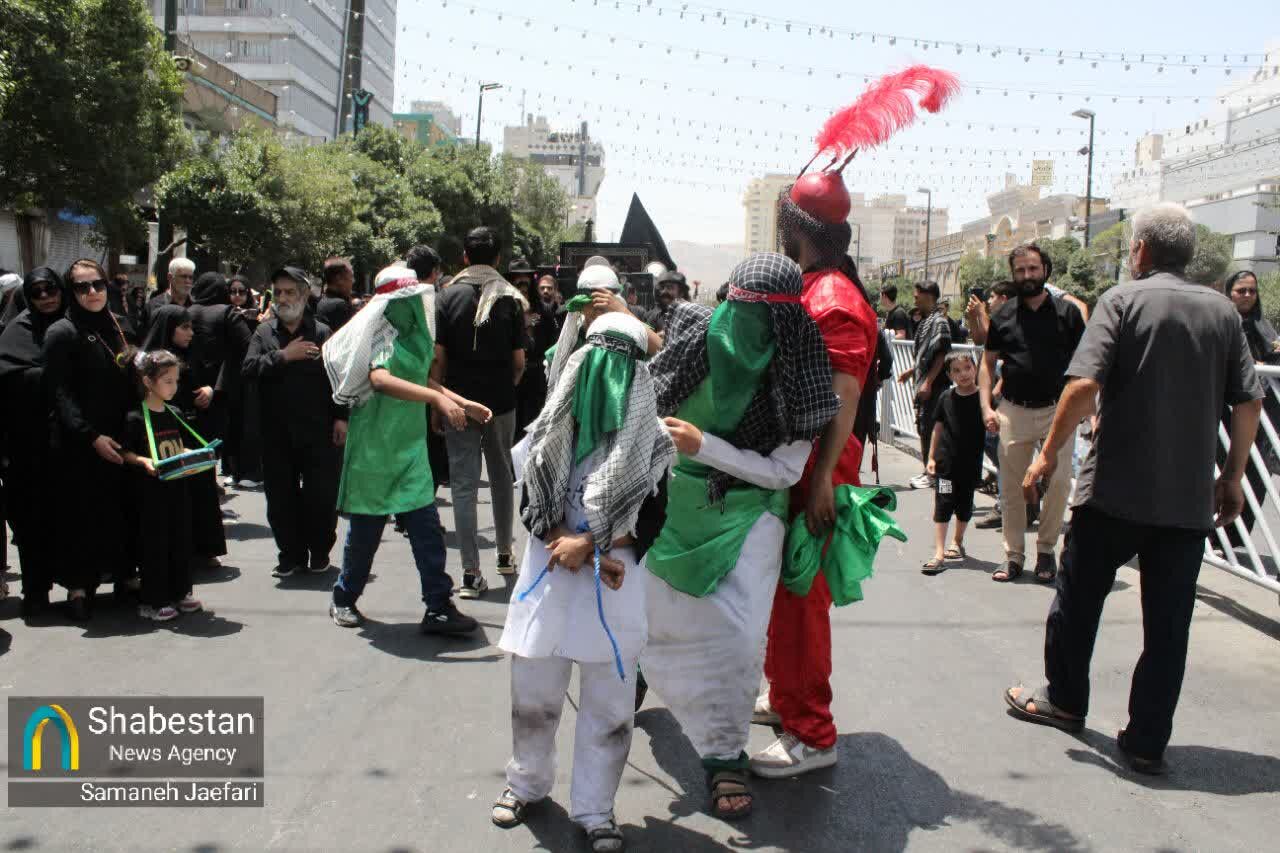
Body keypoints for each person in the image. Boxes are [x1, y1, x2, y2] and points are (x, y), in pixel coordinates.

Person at [1004, 202, 1264, 775]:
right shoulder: (1223, 312)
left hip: (1113, 494)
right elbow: (1248, 403)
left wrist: (1047, 454)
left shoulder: (1121, 300)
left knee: (1078, 602)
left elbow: (1082, 388)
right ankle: (1147, 742)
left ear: (1140, 250)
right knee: (1168, 627)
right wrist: (1232, 476)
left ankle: (1065, 700)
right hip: (1185, 501)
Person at [641, 253, 840, 818]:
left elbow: (784, 471)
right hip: (677, 507)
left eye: (754, 316)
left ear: (782, 322)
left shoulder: (800, 374)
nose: (737, 327)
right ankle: (645, 682)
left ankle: (724, 757)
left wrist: (704, 446)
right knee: (657, 623)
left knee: (736, 642)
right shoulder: (691, 336)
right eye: (734, 308)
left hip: (752, 516)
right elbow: (643, 406)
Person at [492, 312, 674, 853]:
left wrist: (590, 545)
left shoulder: (653, 442)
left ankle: (596, 810)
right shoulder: (549, 428)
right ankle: (525, 784)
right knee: (534, 699)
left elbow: (652, 519)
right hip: (549, 578)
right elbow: (531, 500)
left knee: (610, 710)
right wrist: (562, 542)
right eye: (598, 360)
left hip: (612, 590)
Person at [754, 161, 882, 779]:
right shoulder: (816, 286)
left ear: (797, 228)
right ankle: (785, 696)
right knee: (785, 593)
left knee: (802, 598)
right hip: (799, 462)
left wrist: (826, 476)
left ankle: (812, 730)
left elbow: (844, 393)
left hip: (815, 467)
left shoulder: (832, 298)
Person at [325, 264, 491, 630]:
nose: (416, 304)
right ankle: (343, 598)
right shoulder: (378, 333)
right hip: (375, 450)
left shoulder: (413, 335)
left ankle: (438, 606)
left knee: (427, 531)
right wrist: (436, 399)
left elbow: (421, 379)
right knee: (365, 534)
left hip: (409, 449)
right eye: (408, 299)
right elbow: (381, 380)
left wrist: (461, 402)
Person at [980, 244, 1086, 584]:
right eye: (1021, 270)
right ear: (1013, 275)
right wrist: (986, 406)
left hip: (1058, 410)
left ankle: (1046, 550)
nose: (1027, 275)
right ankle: (1013, 555)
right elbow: (987, 363)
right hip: (1014, 410)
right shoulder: (1002, 316)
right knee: (1011, 487)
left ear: (1045, 271)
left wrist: (1090, 410)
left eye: (1033, 269)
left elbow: (1085, 366)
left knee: (1059, 482)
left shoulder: (1068, 314)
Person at [433, 226, 528, 597]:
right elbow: (519, 362)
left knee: (463, 485)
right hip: (501, 404)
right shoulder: (510, 298)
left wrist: (438, 403)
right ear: (498, 258)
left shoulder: (446, 296)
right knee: (502, 477)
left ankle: (470, 573)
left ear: (465, 257)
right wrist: (506, 387)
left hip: (457, 404)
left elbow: (438, 360)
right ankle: (505, 554)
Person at [43, 259, 137, 620]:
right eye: (82, 287)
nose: (93, 292)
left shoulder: (119, 325)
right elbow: (60, 394)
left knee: (122, 509)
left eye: (97, 284)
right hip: (80, 442)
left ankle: (125, 577)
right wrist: (90, 436)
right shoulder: (62, 333)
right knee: (81, 516)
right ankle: (79, 588)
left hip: (121, 435)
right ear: (72, 292)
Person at [242, 267, 347, 578]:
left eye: (290, 292)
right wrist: (284, 356)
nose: (283, 298)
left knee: (321, 496)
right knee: (280, 498)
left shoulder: (323, 333)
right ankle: (290, 555)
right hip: (276, 432)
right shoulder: (264, 333)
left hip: (318, 431)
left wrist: (341, 418)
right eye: (278, 292)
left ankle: (319, 551)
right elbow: (248, 369)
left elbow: (339, 379)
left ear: (303, 295)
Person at [119, 350, 206, 621]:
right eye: (168, 381)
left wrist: (193, 454)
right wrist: (143, 460)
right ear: (148, 382)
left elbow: (180, 446)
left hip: (177, 490)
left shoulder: (175, 412)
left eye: (176, 381)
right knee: (155, 545)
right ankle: (153, 600)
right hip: (150, 494)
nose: (174, 387)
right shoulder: (135, 417)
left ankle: (181, 592)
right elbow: (125, 452)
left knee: (180, 540)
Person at [0, 268, 66, 619]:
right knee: (31, 519)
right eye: (37, 292)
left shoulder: (73, 326)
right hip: (28, 445)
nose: (46, 298)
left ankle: (79, 586)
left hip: (71, 441)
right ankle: (36, 589)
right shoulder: (16, 333)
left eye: (51, 289)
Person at [142, 305, 228, 568]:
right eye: (184, 327)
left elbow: (208, 377)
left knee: (201, 490)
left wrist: (209, 390)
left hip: (193, 429)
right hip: (165, 433)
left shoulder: (193, 352)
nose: (190, 333)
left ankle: (205, 548)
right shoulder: (151, 363)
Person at [1218, 270, 1279, 549]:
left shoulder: (1263, 326)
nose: (1247, 295)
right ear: (1229, 292)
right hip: (1226, 413)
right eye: (1241, 290)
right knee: (1224, 467)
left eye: (1252, 291)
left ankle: (1233, 540)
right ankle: (1214, 536)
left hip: (1260, 415)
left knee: (1254, 474)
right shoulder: (1223, 322)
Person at [922, 352, 986, 574]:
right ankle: (939, 553)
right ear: (949, 375)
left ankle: (957, 541)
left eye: (967, 368)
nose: (963, 374)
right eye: (956, 371)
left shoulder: (983, 398)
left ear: (975, 368)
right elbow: (938, 428)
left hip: (970, 466)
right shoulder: (946, 397)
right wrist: (931, 457)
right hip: (946, 467)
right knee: (943, 503)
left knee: (964, 505)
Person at [404, 245, 450, 492]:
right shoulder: (433, 302)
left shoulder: (395, 300)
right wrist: (436, 404)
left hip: (397, 391)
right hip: (424, 390)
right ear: (434, 272)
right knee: (426, 455)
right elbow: (435, 358)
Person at [899, 281, 951, 490]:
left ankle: (936, 476)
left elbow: (941, 354)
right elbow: (925, 356)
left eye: (917, 295)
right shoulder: (927, 321)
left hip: (936, 388)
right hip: (928, 386)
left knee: (933, 431)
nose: (914, 299)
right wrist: (912, 371)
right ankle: (930, 472)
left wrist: (928, 382)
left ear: (928, 296)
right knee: (925, 429)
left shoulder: (939, 322)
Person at [508, 258, 558, 439]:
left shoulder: (543, 310)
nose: (522, 282)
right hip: (511, 377)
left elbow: (553, 343)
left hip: (536, 377)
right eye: (517, 277)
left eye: (526, 277)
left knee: (533, 427)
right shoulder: (503, 308)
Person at [223, 275, 264, 487]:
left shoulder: (257, 316)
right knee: (231, 424)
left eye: (242, 291)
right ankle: (231, 469)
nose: (237, 296)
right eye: (233, 291)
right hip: (230, 375)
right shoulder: (224, 314)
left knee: (250, 424)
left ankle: (251, 471)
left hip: (251, 376)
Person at [142, 257, 195, 332]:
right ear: (170, 277)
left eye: (191, 277)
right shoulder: (153, 306)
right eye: (183, 277)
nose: (188, 281)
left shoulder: (195, 305)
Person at [316, 256, 357, 332]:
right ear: (339, 279)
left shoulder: (321, 302)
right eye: (351, 277)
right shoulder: (340, 306)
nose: (353, 281)